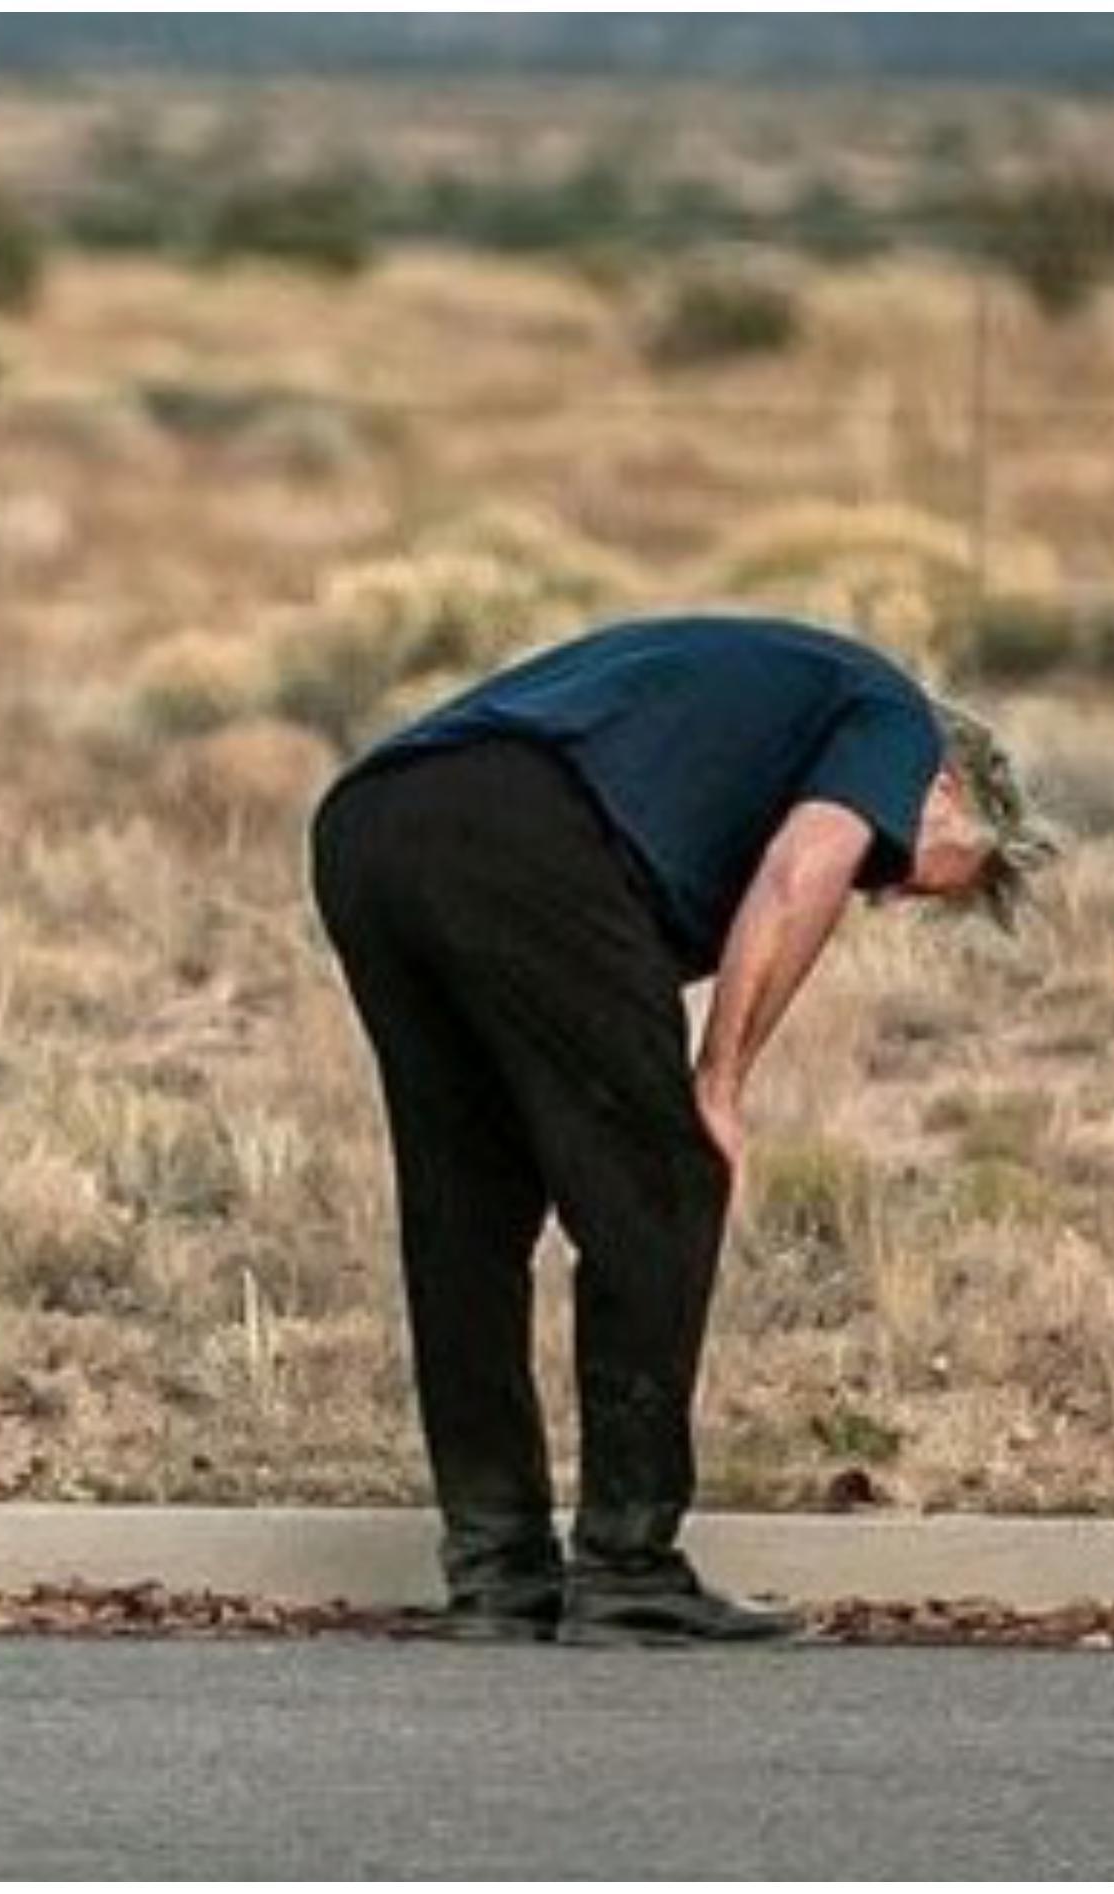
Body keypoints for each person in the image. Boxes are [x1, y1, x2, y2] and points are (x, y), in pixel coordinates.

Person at [309, 611, 1053, 1646]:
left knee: (467, 1216)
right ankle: (627, 1569)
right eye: (906, 873)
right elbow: (803, 873)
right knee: (666, 1181)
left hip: (369, 826)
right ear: (951, 790)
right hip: (519, 829)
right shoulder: (895, 723)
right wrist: (720, 1081)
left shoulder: (757, 726)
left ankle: (498, 1571)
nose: (881, 893)